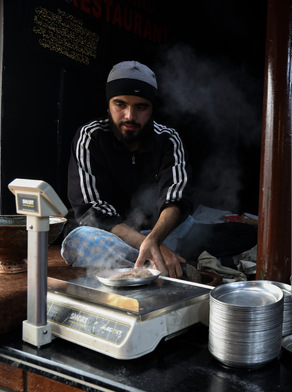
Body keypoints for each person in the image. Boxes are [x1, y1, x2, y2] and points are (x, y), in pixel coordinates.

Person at [61, 60, 257, 278]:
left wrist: (154, 239)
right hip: (115, 237)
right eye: (120, 104)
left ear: (152, 108)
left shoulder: (168, 139)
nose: (129, 116)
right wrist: (149, 246)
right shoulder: (91, 137)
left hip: (164, 234)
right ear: (108, 105)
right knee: (81, 239)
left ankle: (148, 266)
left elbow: (176, 198)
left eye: (140, 107)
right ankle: (167, 264)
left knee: (245, 233)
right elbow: (94, 212)